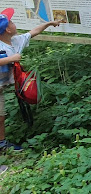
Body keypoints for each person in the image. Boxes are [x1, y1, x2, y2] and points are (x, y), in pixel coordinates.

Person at [0, 8, 61, 152]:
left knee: (1, 116)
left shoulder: (15, 41)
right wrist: (10, 59)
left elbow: (33, 32)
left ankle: (2, 143)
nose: (15, 24)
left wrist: (48, 24)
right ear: (7, 30)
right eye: (12, 22)